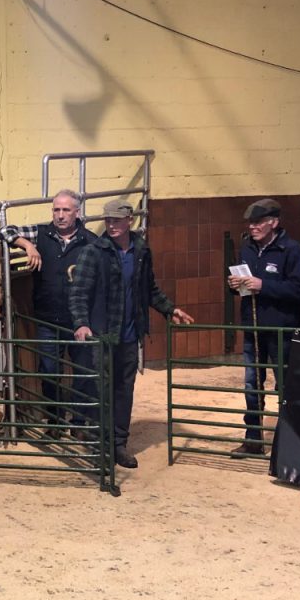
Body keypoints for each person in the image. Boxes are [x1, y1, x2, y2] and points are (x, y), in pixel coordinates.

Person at [69, 198, 194, 469]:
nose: (111, 225)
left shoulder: (141, 250)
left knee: (124, 390)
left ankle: (118, 444)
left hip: (129, 334)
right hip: (103, 335)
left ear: (129, 220)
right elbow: (78, 292)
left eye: (116, 220)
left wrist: (169, 309)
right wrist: (81, 323)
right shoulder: (93, 252)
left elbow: (148, 289)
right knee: (101, 390)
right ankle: (100, 444)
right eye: (108, 220)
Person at [0, 189, 99, 429]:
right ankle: (55, 421)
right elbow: (4, 231)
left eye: (66, 210)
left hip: (79, 320)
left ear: (77, 213)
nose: (60, 215)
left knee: (82, 372)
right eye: (56, 210)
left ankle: (78, 423)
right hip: (47, 320)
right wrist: (27, 246)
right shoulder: (41, 233)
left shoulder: (91, 242)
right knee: (49, 371)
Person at [226, 199, 300, 456]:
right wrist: (234, 286)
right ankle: (253, 439)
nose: (253, 227)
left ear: (274, 222)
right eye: (251, 222)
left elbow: (298, 289)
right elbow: (244, 288)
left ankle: (289, 443)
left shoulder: (291, 250)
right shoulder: (247, 248)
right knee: (252, 384)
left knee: (285, 385)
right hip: (253, 327)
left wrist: (263, 286)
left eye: (258, 222)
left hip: (282, 331)